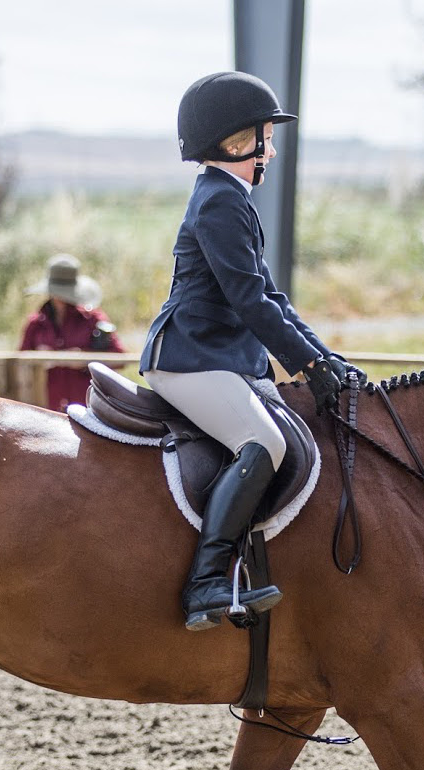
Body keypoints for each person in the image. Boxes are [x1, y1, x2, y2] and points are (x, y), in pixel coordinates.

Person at [140, 70, 361, 631]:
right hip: (189, 357)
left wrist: (324, 357)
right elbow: (248, 302)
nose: (274, 147)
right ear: (239, 141)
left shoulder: (229, 198)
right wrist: (308, 366)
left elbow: (270, 297)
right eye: (267, 134)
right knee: (261, 440)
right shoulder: (219, 201)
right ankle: (208, 581)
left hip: (219, 355)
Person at [19, 253, 124, 412]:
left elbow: (119, 357)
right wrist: (37, 360)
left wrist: (85, 360)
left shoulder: (93, 318)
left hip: (87, 409)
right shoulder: (35, 324)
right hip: (46, 410)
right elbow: (19, 363)